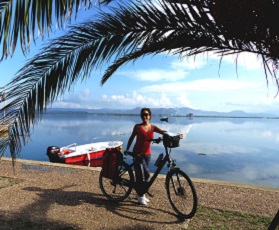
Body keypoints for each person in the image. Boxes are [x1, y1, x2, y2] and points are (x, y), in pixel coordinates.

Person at [125, 108, 183, 205]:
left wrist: (176, 134)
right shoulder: (137, 127)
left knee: (145, 176)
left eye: (146, 114)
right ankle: (139, 195)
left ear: (150, 116)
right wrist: (127, 148)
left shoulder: (152, 127)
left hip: (148, 154)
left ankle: (141, 193)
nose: (145, 116)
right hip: (138, 153)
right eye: (143, 115)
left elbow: (163, 132)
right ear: (141, 116)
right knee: (143, 174)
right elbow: (131, 137)